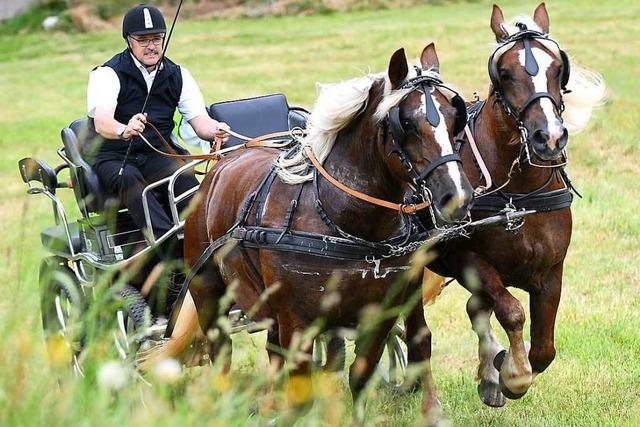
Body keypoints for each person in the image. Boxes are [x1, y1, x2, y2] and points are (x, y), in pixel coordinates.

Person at [86, 3, 229, 244]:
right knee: (129, 178)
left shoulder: (178, 75)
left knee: (182, 175)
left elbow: (199, 121)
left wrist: (215, 129)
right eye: (143, 40)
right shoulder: (108, 74)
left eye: (156, 38)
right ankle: (168, 246)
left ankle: (205, 242)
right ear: (129, 41)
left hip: (156, 154)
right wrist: (124, 129)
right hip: (113, 156)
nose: (151, 46)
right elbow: (102, 122)